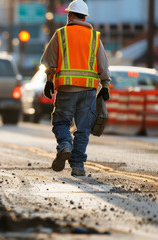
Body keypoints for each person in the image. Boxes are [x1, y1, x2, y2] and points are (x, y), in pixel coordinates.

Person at [40, 0, 111, 177]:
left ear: (70, 15)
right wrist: (106, 85)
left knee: (61, 122)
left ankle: (65, 144)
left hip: (66, 89)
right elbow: (103, 64)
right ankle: (78, 166)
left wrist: (49, 81)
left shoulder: (61, 34)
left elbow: (49, 63)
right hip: (88, 90)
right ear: (85, 17)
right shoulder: (94, 37)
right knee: (83, 129)